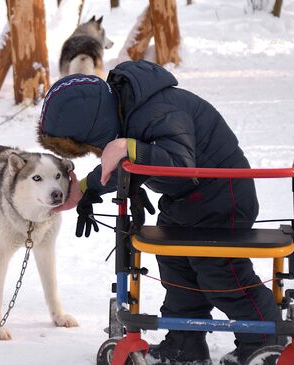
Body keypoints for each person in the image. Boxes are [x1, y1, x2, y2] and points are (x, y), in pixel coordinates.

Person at [37, 60, 278, 365]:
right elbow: (123, 163)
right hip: (186, 203)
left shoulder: (159, 110)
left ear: (96, 127)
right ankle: (184, 343)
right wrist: (85, 188)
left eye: (92, 145)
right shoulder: (130, 111)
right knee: (176, 268)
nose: (97, 150)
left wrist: (130, 148)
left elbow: (180, 164)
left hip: (224, 198)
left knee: (220, 271)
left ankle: (263, 341)